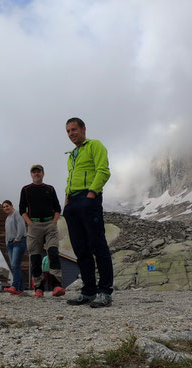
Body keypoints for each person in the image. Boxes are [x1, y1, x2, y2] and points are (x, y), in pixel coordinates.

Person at [63, 117, 113, 308]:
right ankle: (88, 291)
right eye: (68, 131)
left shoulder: (95, 145)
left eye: (74, 129)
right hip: (73, 203)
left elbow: (103, 171)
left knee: (97, 245)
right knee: (80, 248)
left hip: (88, 199)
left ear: (83, 129)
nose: (71, 134)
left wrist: (91, 194)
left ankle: (105, 291)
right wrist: (67, 202)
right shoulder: (72, 154)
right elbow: (70, 179)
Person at [18, 164, 65, 298]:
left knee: (53, 252)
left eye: (39, 171)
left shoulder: (49, 189)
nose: (36, 174)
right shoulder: (26, 189)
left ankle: (57, 285)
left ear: (43, 174)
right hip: (34, 225)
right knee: (35, 256)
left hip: (50, 224)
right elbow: (22, 209)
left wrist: (54, 221)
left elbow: (57, 207)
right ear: (31, 174)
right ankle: (39, 288)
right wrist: (30, 223)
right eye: (34, 172)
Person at [2, 200, 27, 295]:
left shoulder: (17, 214)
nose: (5, 208)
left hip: (18, 242)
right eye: (4, 207)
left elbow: (21, 226)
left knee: (14, 264)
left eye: (7, 206)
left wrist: (18, 238)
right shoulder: (7, 219)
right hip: (10, 244)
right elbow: (7, 232)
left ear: (11, 205)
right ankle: (19, 289)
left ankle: (15, 286)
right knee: (15, 266)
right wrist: (6, 243)